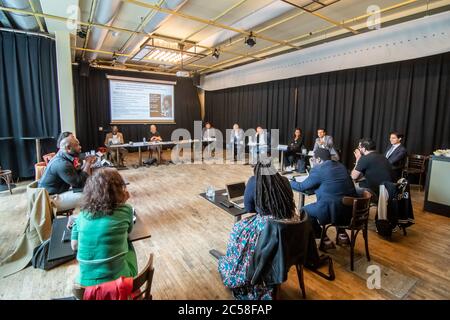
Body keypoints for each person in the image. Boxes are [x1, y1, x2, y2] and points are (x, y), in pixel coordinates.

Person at [219, 160, 296, 299]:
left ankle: (245, 268)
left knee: (238, 229)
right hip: (287, 225)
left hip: (269, 226)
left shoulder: (254, 182)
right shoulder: (284, 180)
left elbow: (249, 209)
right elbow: (289, 201)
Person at [70, 167, 138, 286]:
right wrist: (123, 203)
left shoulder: (82, 215)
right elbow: (129, 231)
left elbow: (74, 245)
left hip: (85, 284)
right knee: (128, 244)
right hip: (119, 281)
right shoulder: (125, 210)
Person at [290, 149, 357, 246]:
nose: (312, 160)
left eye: (313, 159)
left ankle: (324, 239)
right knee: (336, 198)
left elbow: (302, 186)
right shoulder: (341, 166)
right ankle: (342, 235)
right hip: (350, 211)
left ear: (318, 160)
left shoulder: (318, 169)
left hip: (333, 211)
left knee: (304, 211)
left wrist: (289, 182)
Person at [38, 136, 96, 211]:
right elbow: (79, 183)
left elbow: (78, 177)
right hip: (50, 199)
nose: (80, 147)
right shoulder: (62, 163)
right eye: (77, 145)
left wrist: (87, 163)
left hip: (57, 192)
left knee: (90, 189)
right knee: (91, 195)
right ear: (68, 148)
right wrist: (88, 163)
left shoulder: (64, 157)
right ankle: (86, 220)